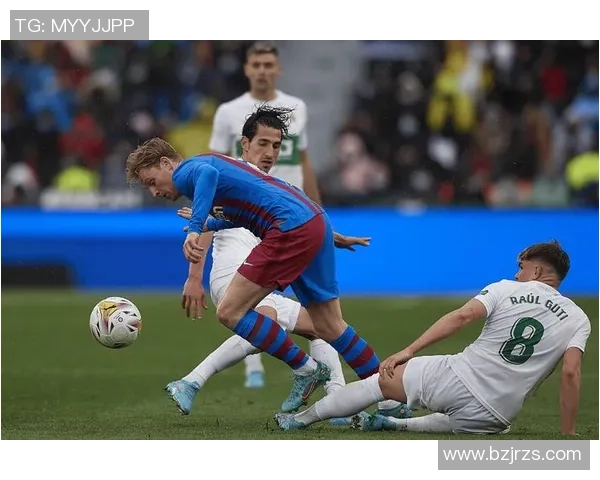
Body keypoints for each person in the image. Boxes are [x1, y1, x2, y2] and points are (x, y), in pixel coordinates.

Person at [124, 107, 399, 416]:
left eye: (151, 181)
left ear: (166, 163)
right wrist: (212, 222)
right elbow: (250, 211)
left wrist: (196, 227)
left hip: (288, 231)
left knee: (230, 310)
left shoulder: (188, 170)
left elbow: (207, 176)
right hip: (314, 222)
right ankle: (392, 400)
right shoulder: (233, 173)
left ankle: (306, 369)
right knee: (330, 326)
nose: (154, 191)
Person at [275, 241, 591, 436]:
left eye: (521, 267)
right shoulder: (578, 319)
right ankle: (395, 425)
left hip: (458, 378)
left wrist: (409, 350)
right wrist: (567, 433)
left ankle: (300, 420)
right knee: (478, 421)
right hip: (498, 413)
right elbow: (570, 372)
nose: (517, 273)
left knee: (378, 384)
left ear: (536, 271)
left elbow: (463, 316)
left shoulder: (506, 288)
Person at [209, 41, 322, 387]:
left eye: (268, 64)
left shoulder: (297, 108)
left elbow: (303, 161)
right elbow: (213, 169)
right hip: (249, 218)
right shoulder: (228, 112)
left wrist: (319, 213)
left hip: (293, 218)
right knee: (250, 294)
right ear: (247, 69)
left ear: (278, 69)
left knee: (316, 305)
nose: (262, 71)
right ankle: (254, 365)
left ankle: (329, 383)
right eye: (256, 64)